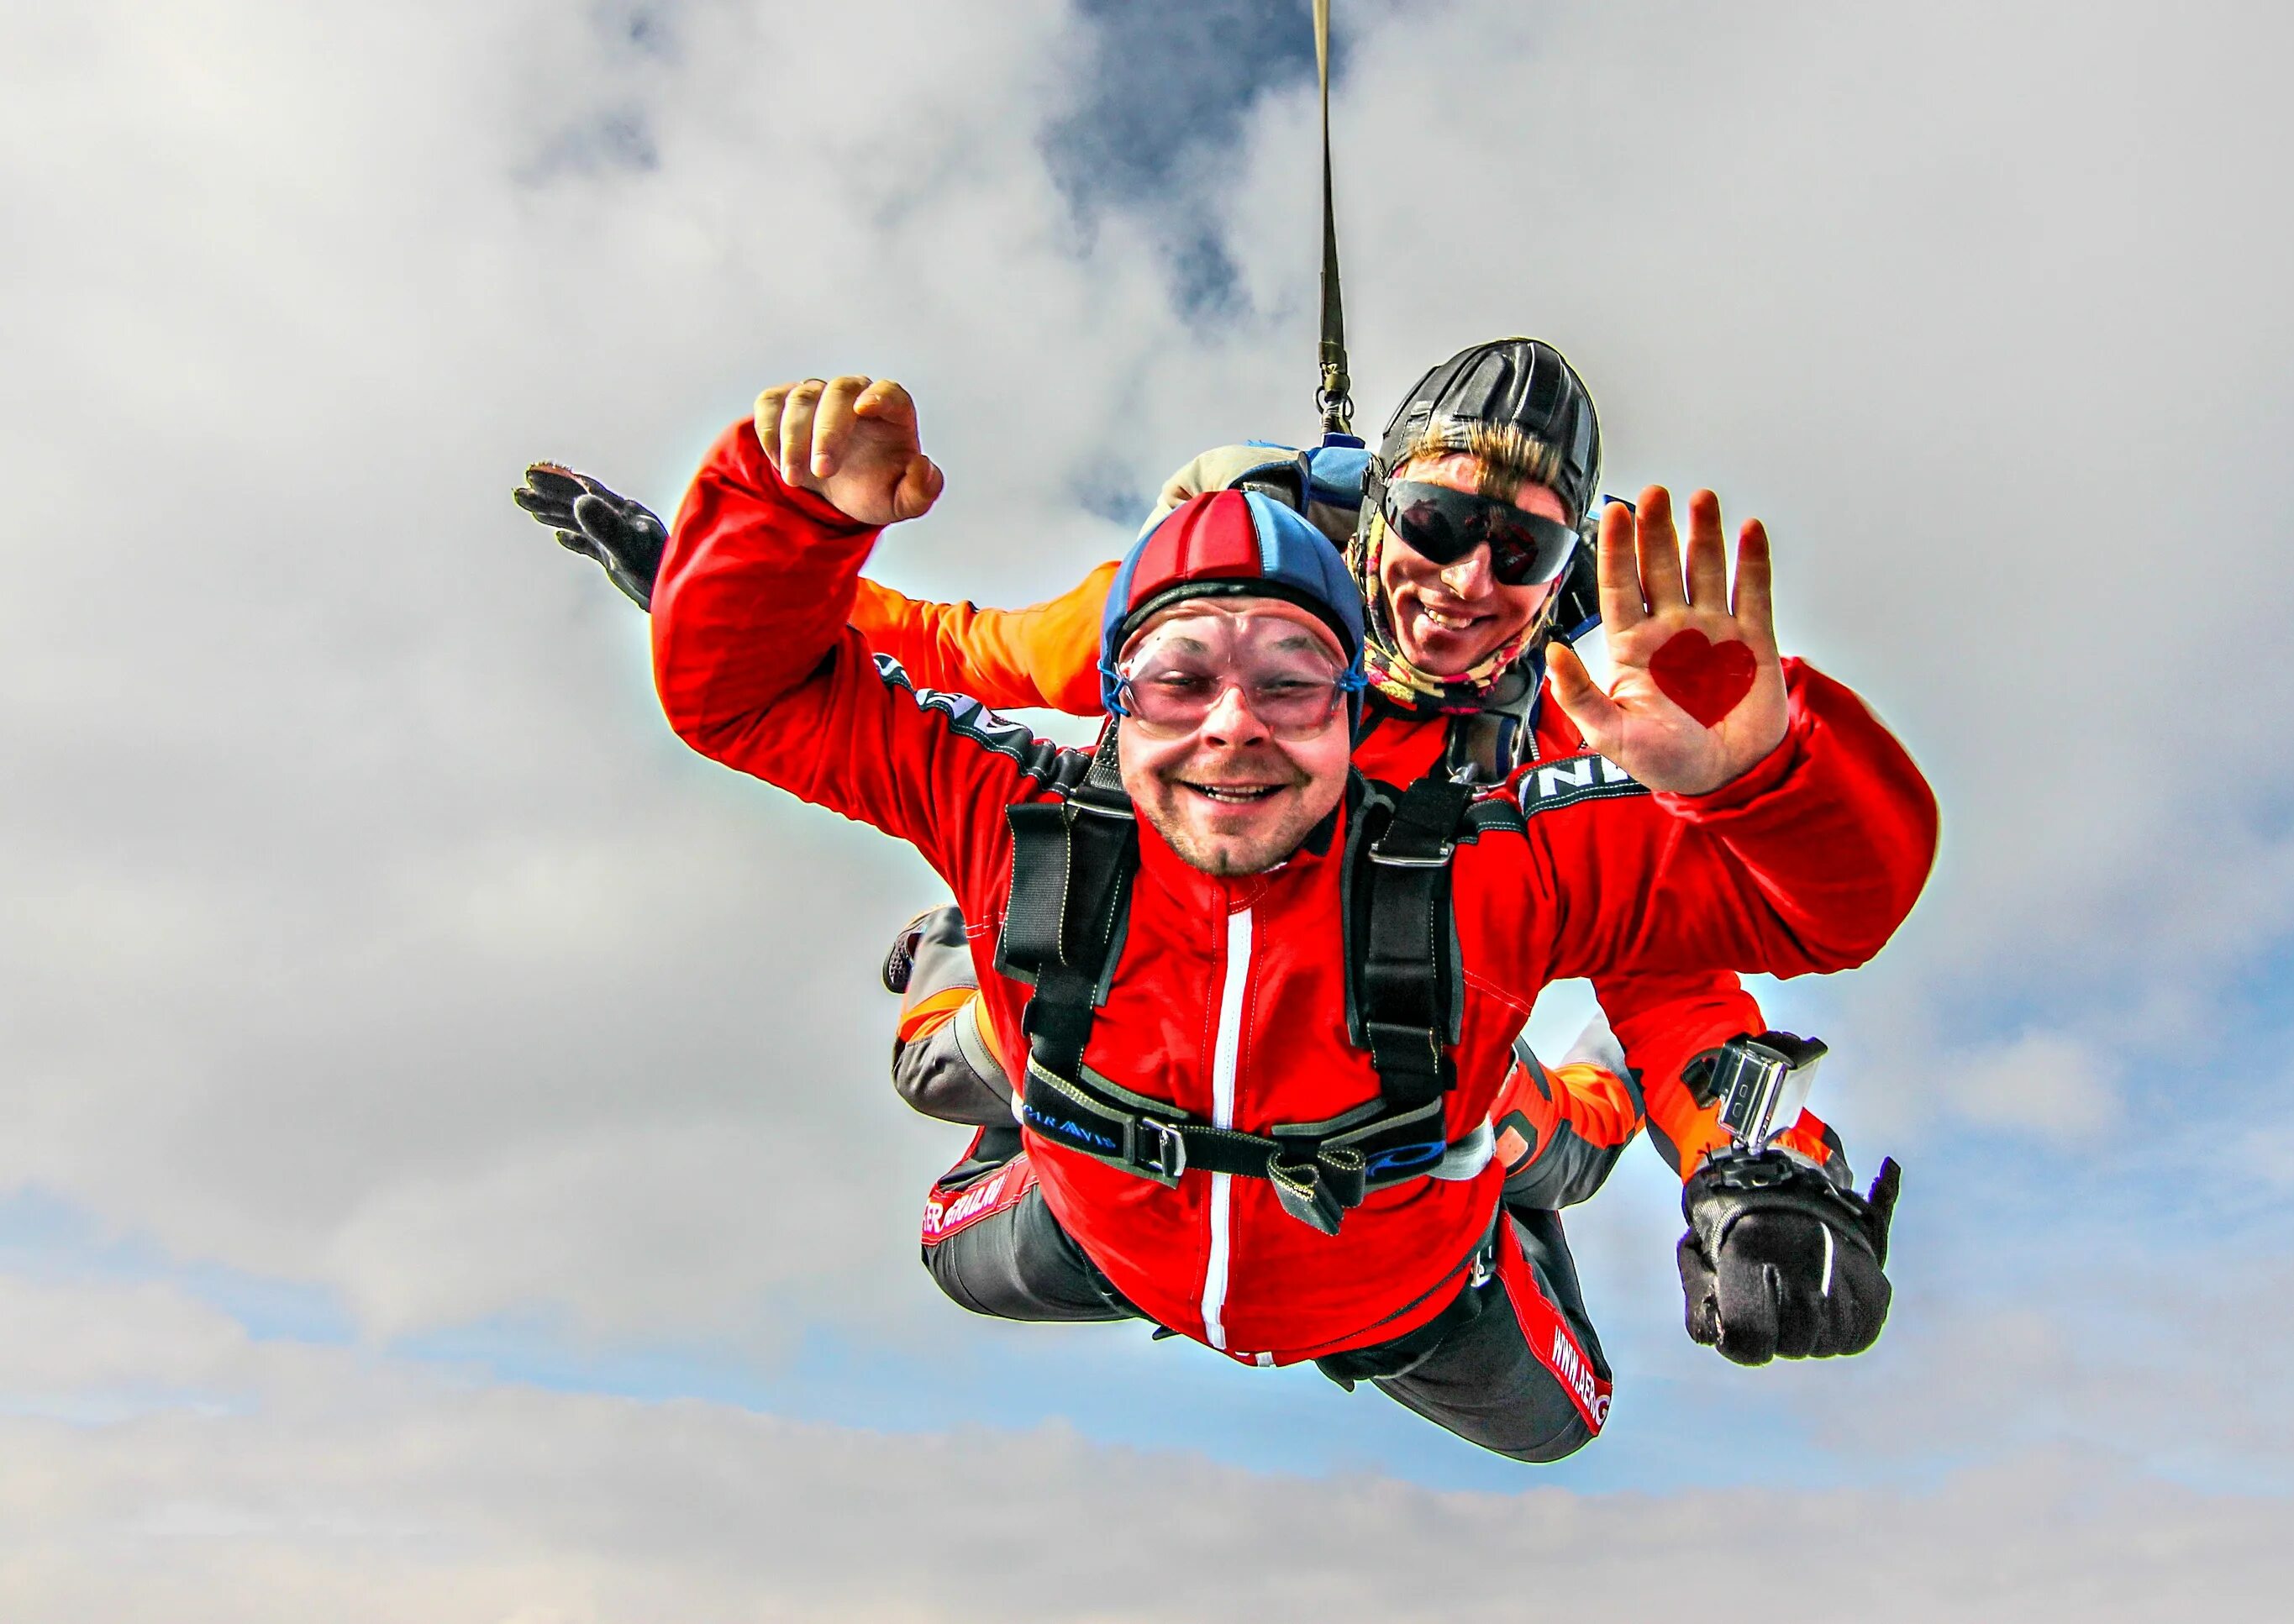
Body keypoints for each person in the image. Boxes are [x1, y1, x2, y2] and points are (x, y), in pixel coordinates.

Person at [643, 371, 1937, 1461]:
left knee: (1556, 1294)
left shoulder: (1526, 813)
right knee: (950, 1061)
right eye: (1181, 676)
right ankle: (979, 969)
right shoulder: (1034, 805)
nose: (1233, 723)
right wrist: (773, 543)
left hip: (1402, 1241)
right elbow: (870, 668)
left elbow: (1760, 933)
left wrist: (1760, 1151)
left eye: (1293, 681)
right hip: (1119, 1222)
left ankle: (1487, 1188)